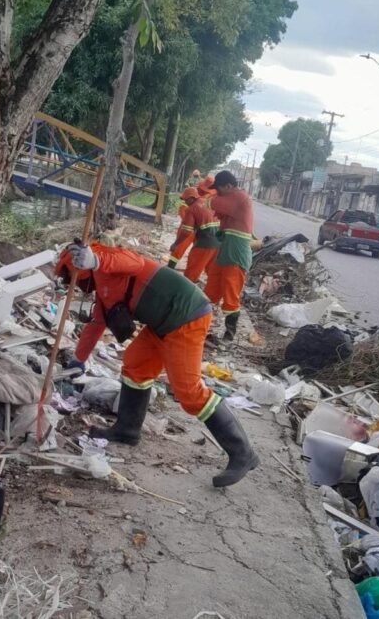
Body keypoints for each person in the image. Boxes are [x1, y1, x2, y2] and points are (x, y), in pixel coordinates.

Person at [56, 240, 259, 487]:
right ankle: (127, 429)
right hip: (162, 324)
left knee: (189, 392)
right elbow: (96, 324)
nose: (76, 285)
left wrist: (95, 260)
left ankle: (242, 453)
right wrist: (78, 360)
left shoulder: (108, 258)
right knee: (135, 364)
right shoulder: (102, 286)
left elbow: (134, 262)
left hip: (186, 317)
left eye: (73, 276)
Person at [204, 170, 254, 342]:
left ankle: (229, 336)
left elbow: (212, 203)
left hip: (235, 254)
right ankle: (202, 327)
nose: (217, 193)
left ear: (229, 186)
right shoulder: (234, 198)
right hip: (225, 251)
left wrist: (207, 195)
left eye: (219, 189)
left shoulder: (240, 196)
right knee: (210, 292)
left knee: (231, 294)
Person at [168, 187, 220, 282]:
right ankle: (209, 294)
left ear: (192, 198)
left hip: (205, 242)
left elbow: (186, 231)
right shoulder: (207, 202)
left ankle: (186, 292)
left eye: (185, 200)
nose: (185, 202)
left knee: (191, 272)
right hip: (218, 242)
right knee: (211, 270)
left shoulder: (192, 208)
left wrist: (176, 244)